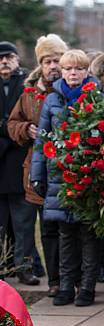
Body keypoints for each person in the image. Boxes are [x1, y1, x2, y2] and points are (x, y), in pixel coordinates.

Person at [30, 50, 102, 306]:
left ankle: (87, 288)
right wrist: (37, 176)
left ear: (86, 72)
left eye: (78, 69)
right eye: (68, 68)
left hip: (87, 174)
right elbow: (42, 140)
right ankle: (66, 286)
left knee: (88, 234)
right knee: (65, 234)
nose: (73, 73)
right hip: (58, 175)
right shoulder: (52, 99)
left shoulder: (96, 96)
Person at [7, 34, 67, 295]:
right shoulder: (29, 94)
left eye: (57, 60)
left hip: (65, 172)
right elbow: (12, 123)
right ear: (40, 65)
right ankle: (28, 268)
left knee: (62, 229)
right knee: (30, 227)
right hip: (35, 168)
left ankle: (65, 277)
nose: (52, 66)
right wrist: (25, 129)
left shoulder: (69, 90)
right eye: (47, 61)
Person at [0, 41, 38, 286]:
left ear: (17, 59)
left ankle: (25, 267)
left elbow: (26, 121)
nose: (4, 61)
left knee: (24, 222)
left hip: (18, 162)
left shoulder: (27, 85)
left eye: (9, 57)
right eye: (1, 58)